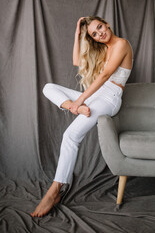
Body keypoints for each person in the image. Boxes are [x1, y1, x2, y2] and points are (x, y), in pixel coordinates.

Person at [30, 16, 133, 217]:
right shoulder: (103, 49)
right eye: (94, 34)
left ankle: (55, 191)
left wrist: (80, 101)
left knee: (70, 136)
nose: (100, 33)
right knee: (48, 87)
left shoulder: (122, 44)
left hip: (110, 98)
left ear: (107, 24)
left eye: (100, 27)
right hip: (95, 96)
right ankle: (71, 106)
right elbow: (77, 61)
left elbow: (104, 77)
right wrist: (77, 34)